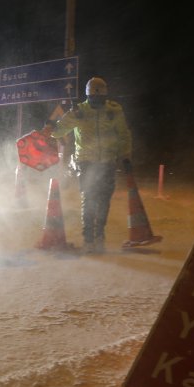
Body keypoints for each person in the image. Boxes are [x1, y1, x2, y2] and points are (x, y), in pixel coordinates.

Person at [52, 76, 133, 254]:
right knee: (89, 199)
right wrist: (52, 127)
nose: (97, 102)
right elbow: (59, 131)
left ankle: (99, 236)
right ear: (88, 96)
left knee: (103, 200)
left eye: (100, 99)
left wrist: (125, 156)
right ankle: (88, 239)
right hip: (86, 163)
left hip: (107, 162)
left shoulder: (114, 111)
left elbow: (123, 135)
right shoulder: (78, 111)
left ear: (105, 96)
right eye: (94, 99)